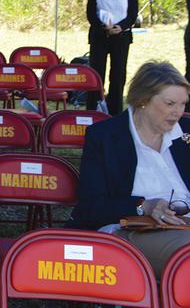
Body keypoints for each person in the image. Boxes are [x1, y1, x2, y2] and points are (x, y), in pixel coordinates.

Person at [69, 60, 190, 276]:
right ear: (143, 100)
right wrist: (144, 206)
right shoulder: (105, 137)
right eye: (170, 103)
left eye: (183, 104)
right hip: (134, 228)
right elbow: (92, 206)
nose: (178, 112)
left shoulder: (187, 132)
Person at [86, 0, 138, 115]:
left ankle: (115, 110)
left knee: (118, 74)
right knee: (97, 73)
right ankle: (94, 108)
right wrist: (103, 27)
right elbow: (90, 13)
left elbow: (132, 15)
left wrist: (120, 27)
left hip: (121, 37)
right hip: (99, 36)